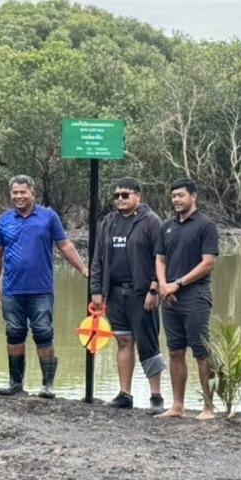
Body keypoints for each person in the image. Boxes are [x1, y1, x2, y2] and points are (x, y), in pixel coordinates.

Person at [0, 174, 89, 397]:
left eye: (22, 192)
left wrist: (83, 269)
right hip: (12, 290)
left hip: (41, 290)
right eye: (14, 193)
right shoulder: (2, 221)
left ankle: (48, 385)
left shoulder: (48, 217)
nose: (18, 196)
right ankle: (16, 384)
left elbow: (65, 246)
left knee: (44, 333)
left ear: (32, 193)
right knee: (14, 333)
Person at [89, 177, 166, 413]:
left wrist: (154, 288)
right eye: (117, 196)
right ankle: (125, 394)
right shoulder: (108, 222)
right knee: (123, 341)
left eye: (126, 195)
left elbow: (161, 257)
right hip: (114, 293)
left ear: (138, 196)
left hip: (142, 293)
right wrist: (96, 291)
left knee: (148, 344)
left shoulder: (151, 221)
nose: (120, 199)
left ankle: (156, 397)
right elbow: (98, 258)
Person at [155, 178, 220, 420]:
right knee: (175, 351)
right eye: (173, 196)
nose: (176, 200)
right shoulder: (167, 227)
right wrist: (163, 285)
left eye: (181, 195)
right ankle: (178, 406)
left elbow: (208, 262)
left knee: (201, 351)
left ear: (193, 197)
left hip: (195, 295)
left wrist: (178, 283)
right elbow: (160, 259)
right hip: (169, 297)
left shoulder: (206, 225)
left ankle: (208, 407)